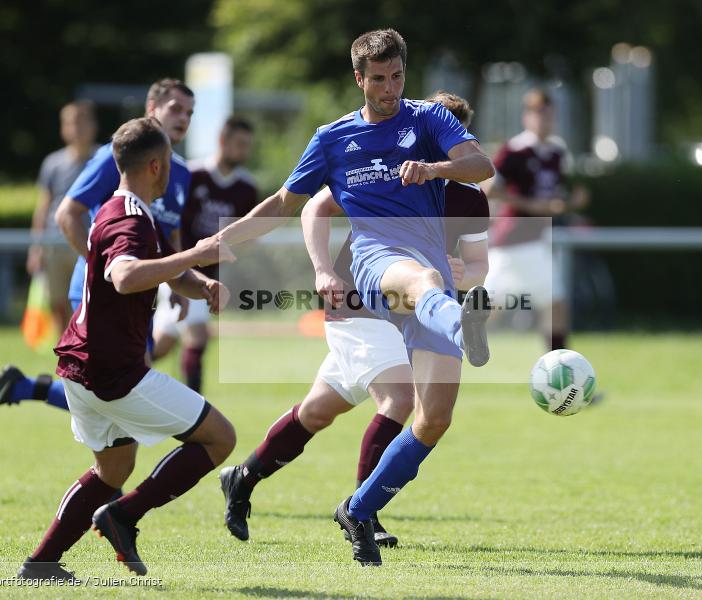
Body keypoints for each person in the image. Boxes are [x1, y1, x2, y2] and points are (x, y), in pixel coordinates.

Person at [214, 29, 494, 566]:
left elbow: (482, 166)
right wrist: (224, 242)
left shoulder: (429, 125)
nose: (390, 89)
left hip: (423, 280)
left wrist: (434, 168)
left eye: (398, 77)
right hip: (369, 275)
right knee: (414, 318)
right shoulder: (334, 140)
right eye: (379, 79)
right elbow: (289, 204)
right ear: (359, 78)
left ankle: (349, 505)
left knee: (427, 418)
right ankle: (463, 323)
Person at [16, 117, 236, 581]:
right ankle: (123, 516)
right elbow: (126, 275)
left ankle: (41, 563)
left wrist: (201, 283)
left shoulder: (117, 208)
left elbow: (159, 269)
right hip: (115, 374)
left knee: (113, 467)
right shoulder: (132, 220)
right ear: (157, 166)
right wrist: (197, 253)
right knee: (220, 438)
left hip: (80, 365)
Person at [0, 78, 195, 419]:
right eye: (175, 109)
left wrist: (177, 284)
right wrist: (100, 267)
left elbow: (171, 228)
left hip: (140, 293)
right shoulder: (116, 156)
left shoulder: (180, 172)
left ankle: (27, 387)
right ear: (152, 109)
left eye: (190, 113)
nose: (183, 118)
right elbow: (67, 213)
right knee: (130, 389)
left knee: (116, 392)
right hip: (104, 291)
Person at [152, 116, 258, 393]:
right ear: (223, 141)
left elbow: (249, 235)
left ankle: (121, 375)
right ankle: (196, 414)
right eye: (239, 144)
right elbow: (170, 220)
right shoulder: (193, 174)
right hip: (181, 268)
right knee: (198, 336)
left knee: (162, 343)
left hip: (210, 275)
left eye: (248, 146)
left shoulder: (247, 188)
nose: (244, 151)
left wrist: (229, 250)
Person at [485, 88, 589, 351]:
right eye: (539, 114)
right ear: (527, 117)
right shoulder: (515, 150)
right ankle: (561, 376)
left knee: (553, 304)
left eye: (549, 115)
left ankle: (559, 374)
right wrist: (530, 204)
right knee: (490, 311)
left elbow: (552, 197)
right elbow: (490, 188)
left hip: (535, 240)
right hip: (514, 238)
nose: (545, 120)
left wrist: (570, 203)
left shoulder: (556, 152)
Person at [27, 100, 98, 334]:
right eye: (70, 123)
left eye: (81, 122)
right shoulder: (53, 163)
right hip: (55, 244)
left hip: (89, 243)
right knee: (58, 303)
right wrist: (35, 248)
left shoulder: (102, 160)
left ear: (92, 125)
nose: (76, 128)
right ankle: (64, 353)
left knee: (89, 303)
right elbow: (43, 207)